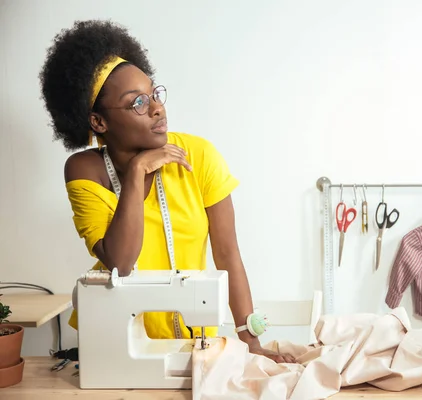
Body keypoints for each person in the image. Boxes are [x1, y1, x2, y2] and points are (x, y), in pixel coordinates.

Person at [39, 19, 294, 363]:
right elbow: (121, 262)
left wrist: (251, 342)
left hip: (193, 345)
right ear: (99, 122)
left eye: (155, 94)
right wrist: (138, 171)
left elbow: (227, 253)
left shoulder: (198, 156)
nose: (158, 108)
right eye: (138, 102)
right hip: (116, 343)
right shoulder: (85, 170)